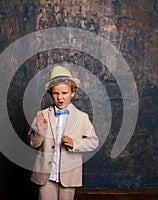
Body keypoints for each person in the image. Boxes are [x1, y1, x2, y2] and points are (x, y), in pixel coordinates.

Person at [28, 65, 99, 200]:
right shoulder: (41, 115)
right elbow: (32, 143)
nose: (60, 98)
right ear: (50, 93)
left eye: (64, 93)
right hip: (46, 174)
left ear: (73, 92)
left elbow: (94, 142)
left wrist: (75, 143)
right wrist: (40, 132)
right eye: (56, 93)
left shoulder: (82, 117)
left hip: (69, 174)